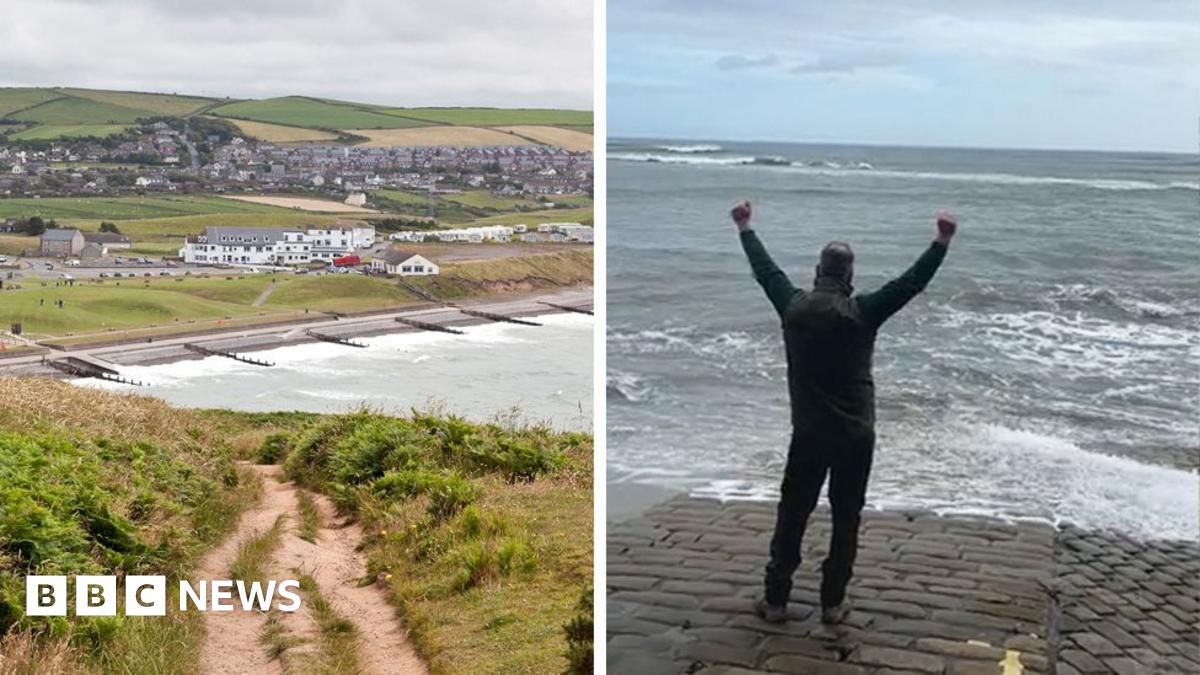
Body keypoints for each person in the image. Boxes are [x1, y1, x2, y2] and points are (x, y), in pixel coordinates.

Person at [731, 200, 956, 624]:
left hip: (810, 434)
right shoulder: (862, 312)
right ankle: (832, 603)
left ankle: (776, 599)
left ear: (818, 273)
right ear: (849, 277)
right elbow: (910, 283)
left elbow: (766, 270)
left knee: (792, 514)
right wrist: (941, 241)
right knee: (846, 517)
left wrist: (745, 227)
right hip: (856, 435)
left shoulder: (793, 307)